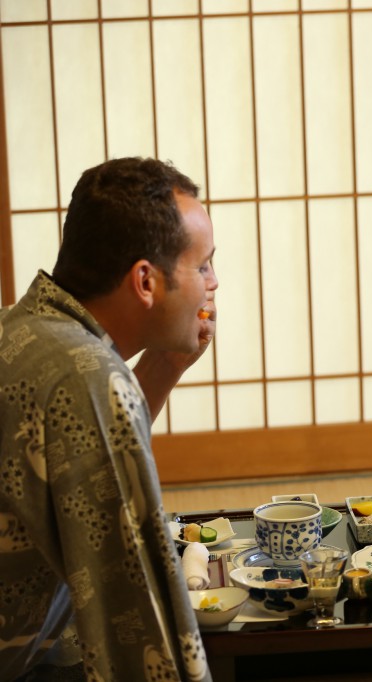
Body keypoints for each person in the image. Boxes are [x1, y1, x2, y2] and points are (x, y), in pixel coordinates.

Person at [0, 157, 218, 681]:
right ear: (146, 281)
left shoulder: (28, 327)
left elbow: (79, 474)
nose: (214, 283)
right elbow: (131, 591)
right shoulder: (89, 376)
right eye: (204, 264)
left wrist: (165, 366)